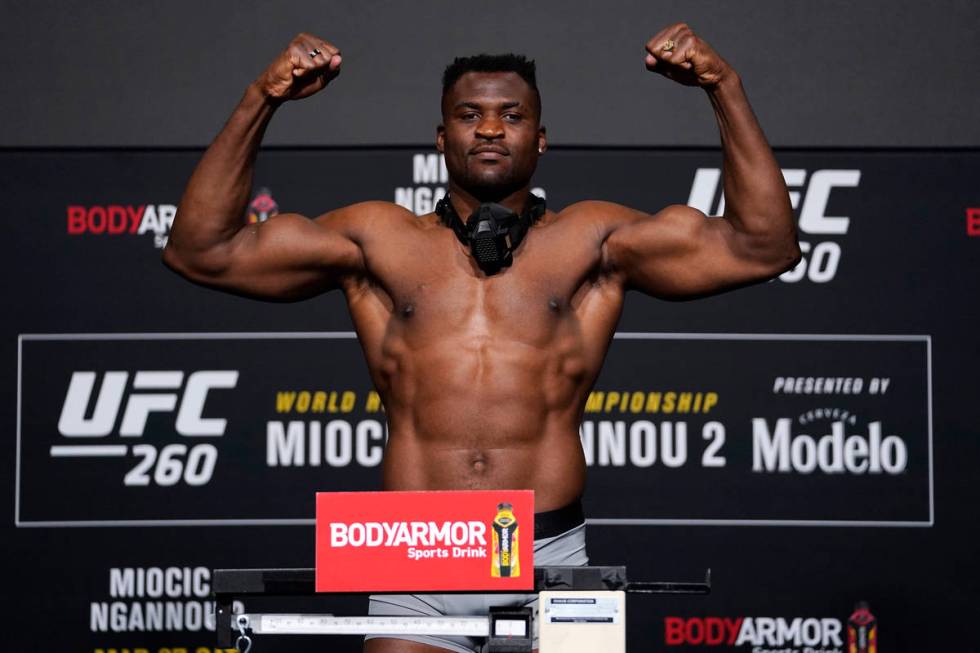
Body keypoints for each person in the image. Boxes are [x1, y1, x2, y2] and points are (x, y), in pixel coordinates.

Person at [163, 23, 800, 653]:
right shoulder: (378, 240)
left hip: (551, 553)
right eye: (470, 114)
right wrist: (261, 97)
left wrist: (724, 85)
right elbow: (202, 250)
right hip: (416, 553)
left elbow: (762, 246)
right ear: (442, 138)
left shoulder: (595, 241)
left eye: (511, 115)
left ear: (541, 139)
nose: (490, 128)